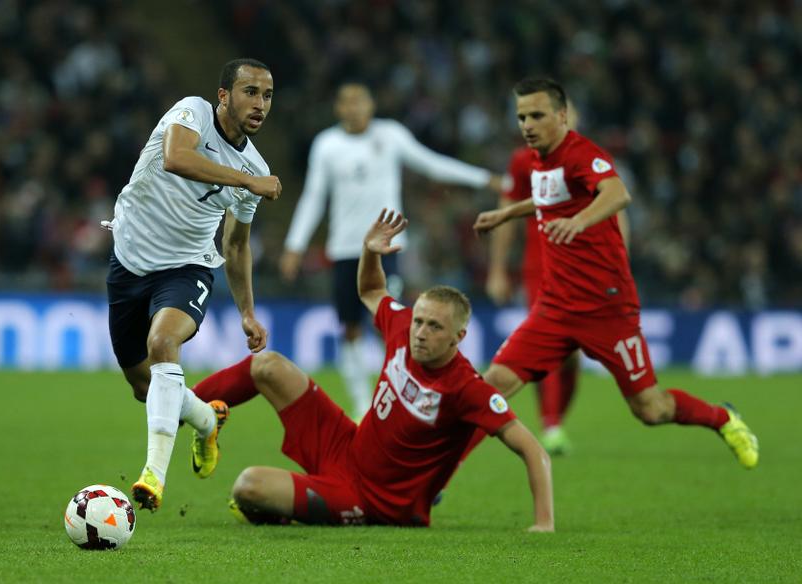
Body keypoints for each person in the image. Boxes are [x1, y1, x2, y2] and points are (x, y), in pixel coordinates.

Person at [193, 210, 554, 530]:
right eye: (420, 322)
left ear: (458, 337)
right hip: (347, 448)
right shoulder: (402, 328)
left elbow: (531, 449)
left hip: (375, 500)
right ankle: (184, 404)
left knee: (249, 486)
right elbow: (371, 289)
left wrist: (543, 523)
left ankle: (296, 507)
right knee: (269, 365)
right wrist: (370, 251)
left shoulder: (466, 388)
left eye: (434, 328)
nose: (421, 333)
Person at [472, 77, 758, 469]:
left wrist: (580, 221)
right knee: (491, 387)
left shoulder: (582, 153)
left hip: (607, 309)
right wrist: (508, 212)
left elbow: (617, 192)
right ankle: (435, 481)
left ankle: (723, 418)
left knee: (650, 408)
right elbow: (548, 196)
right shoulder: (539, 160)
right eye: (522, 117)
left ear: (562, 115)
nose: (527, 125)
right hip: (554, 306)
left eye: (537, 115)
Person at [104, 58, 282, 511]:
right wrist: (247, 181)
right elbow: (176, 158)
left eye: (267, 95)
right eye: (250, 92)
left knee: (164, 342)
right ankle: (207, 418)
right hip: (128, 263)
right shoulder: (192, 113)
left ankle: (153, 476)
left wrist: (246, 310)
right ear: (223, 96)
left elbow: (236, 246)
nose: (260, 104)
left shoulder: (254, 167)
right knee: (143, 386)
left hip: (187, 267)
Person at [279, 83, 506, 420]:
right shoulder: (327, 144)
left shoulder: (391, 135)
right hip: (345, 249)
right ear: (338, 109)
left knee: (391, 323)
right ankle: (361, 406)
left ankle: (401, 396)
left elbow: (431, 164)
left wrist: (483, 178)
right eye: (347, 102)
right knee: (351, 328)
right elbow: (314, 196)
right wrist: (294, 246)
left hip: (387, 248)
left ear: (371, 105)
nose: (354, 108)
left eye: (360, 101)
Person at [486, 101, 630, 455]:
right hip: (541, 268)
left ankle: (556, 420)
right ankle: (550, 425)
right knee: (549, 346)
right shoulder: (523, 162)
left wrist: (619, 263)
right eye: (528, 117)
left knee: (572, 353)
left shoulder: (588, 159)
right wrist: (498, 269)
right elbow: (507, 214)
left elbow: (615, 209)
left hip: (588, 271)